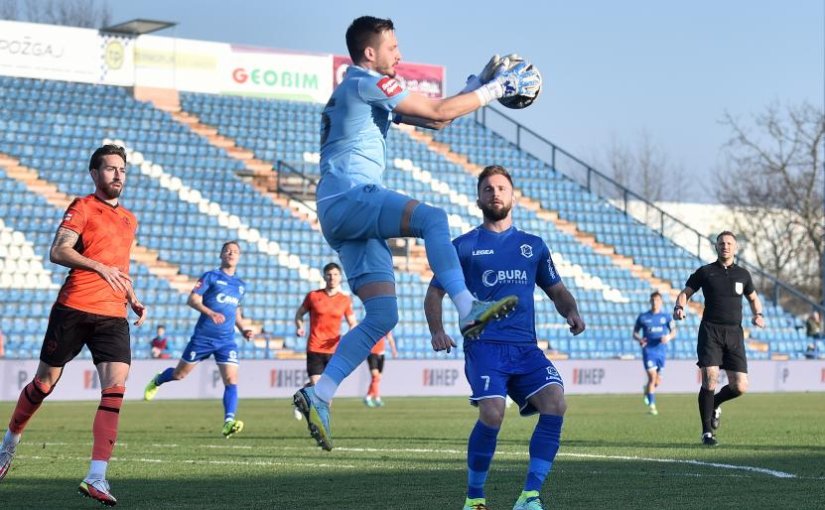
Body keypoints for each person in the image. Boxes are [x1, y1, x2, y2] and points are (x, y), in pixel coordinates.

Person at [293, 15, 538, 452]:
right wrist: (498, 89)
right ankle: (467, 308)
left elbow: (437, 121)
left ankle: (319, 394)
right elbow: (439, 111)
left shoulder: (357, 88)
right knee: (434, 219)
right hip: (351, 195)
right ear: (370, 53)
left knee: (383, 315)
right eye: (393, 47)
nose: (399, 55)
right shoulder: (368, 82)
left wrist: (478, 80)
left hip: (341, 213)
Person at [424, 165, 585, 510]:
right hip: (485, 347)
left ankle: (529, 496)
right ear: (479, 198)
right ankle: (474, 499)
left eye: (501, 188)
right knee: (493, 413)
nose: (495, 194)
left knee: (556, 403)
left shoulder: (533, 246)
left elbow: (556, 289)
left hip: (526, 348)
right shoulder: (463, 246)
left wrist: (570, 311)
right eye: (488, 189)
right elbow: (434, 292)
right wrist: (437, 330)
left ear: (513, 196)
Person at [0, 144, 146, 505]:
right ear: (95, 174)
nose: (118, 175)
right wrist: (97, 266)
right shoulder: (82, 207)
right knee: (43, 384)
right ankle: (9, 442)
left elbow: (120, 267)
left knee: (115, 388)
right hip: (74, 308)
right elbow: (58, 251)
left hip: (113, 314)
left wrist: (131, 296)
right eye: (110, 169)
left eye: (122, 170)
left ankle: (96, 477)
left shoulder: (129, 218)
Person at [143, 241, 254, 438]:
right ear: (221, 255)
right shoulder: (211, 276)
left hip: (226, 340)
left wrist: (244, 329)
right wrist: (210, 313)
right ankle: (158, 379)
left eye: (235, 252)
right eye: (227, 250)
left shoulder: (240, 285)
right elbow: (192, 299)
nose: (231, 253)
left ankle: (228, 421)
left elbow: (236, 312)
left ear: (239, 257)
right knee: (179, 375)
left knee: (231, 380)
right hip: (203, 337)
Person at [673, 231, 765, 447]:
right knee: (710, 379)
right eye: (721, 243)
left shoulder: (743, 275)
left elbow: (753, 298)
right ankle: (707, 432)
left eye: (729, 243)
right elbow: (685, 292)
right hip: (710, 331)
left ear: (735, 248)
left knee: (740, 386)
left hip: (734, 333)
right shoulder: (706, 272)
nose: (725, 246)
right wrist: (679, 307)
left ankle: (713, 404)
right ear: (716, 247)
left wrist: (758, 315)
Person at [292, 263, 357, 420]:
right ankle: (318, 420)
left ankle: (319, 421)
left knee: (326, 391)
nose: (332, 277)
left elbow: (353, 323)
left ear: (340, 277)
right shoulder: (313, 296)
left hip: (334, 351)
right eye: (329, 274)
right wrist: (300, 327)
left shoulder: (345, 300)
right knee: (317, 385)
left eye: (335, 274)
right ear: (324, 276)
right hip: (315, 347)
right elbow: (299, 314)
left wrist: (348, 335)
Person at [633, 291, 676, 415]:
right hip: (649, 351)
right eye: (653, 300)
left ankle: (647, 390)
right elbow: (635, 333)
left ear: (661, 302)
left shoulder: (666, 317)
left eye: (657, 300)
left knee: (657, 381)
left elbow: (674, 331)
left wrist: (668, 337)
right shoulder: (643, 317)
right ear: (650, 301)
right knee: (652, 377)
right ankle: (652, 406)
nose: (654, 302)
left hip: (661, 351)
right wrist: (639, 339)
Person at [363, 331, 397, 408]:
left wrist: (393, 349)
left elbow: (390, 338)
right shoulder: (371, 326)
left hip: (381, 354)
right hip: (372, 353)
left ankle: (368, 397)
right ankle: (377, 398)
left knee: (377, 379)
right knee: (375, 377)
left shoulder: (385, 326)